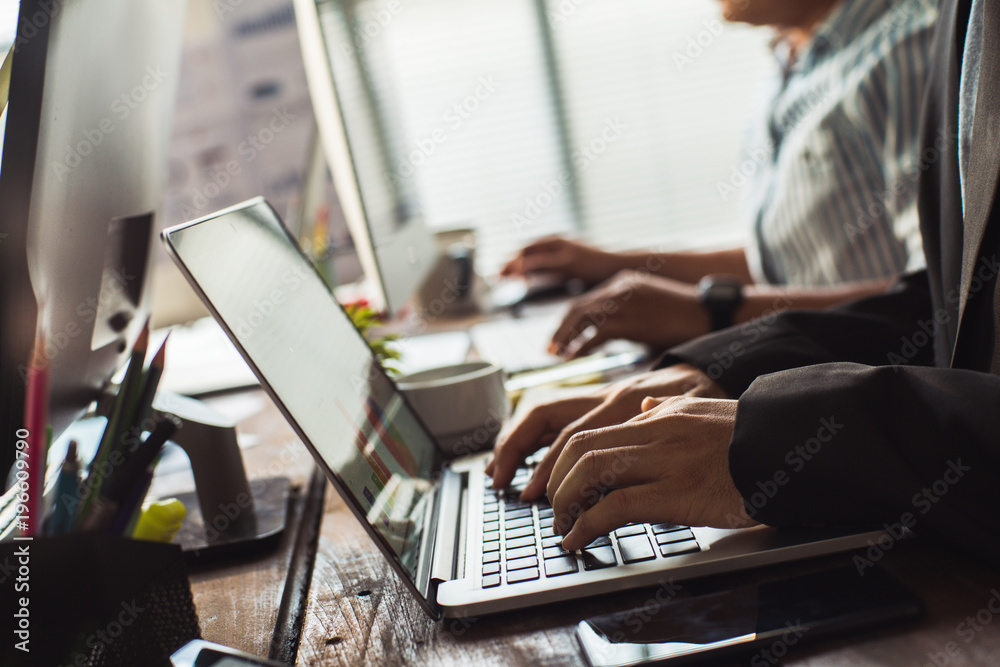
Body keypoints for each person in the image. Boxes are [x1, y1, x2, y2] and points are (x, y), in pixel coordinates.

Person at [488, 0, 1000, 565]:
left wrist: (768, 426)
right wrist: (716, 360)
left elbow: (932, 302)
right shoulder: (817, 56)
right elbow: (935, 298)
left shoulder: (907, 42)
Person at [501, 0, 939, 358]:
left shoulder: (909, 48)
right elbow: (782, 266)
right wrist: (614, 264)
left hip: (862, 388)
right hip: (799, 363)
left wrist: (711, 315)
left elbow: (930, 297)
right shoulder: (791, 59)